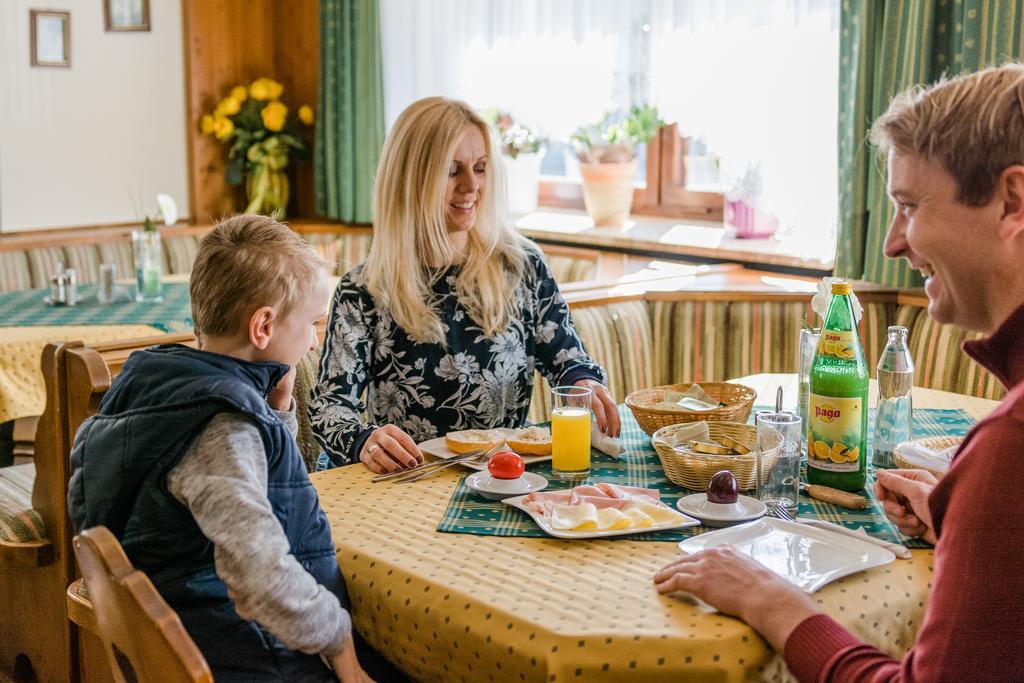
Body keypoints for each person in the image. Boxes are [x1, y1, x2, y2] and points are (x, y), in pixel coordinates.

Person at [653, 64, 1024, 681]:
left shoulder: (1008, 448)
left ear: (1012, 201)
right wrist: (973, 524)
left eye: (909, 206)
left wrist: (771, 599)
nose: (892, 244)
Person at [67, 216, 379, 682]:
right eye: (312, 322)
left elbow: (267, 486)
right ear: (263, 326)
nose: (314, 340)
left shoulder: (163, 386)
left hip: (197, 631)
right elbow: (263, 579)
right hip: (242, 654)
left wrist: (276, 406)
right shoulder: (222, 427)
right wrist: (343, 651)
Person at [310, 97, 619, 473]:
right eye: (452, 170)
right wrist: (363, 441)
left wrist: (581, 381)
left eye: (480, 168)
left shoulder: (521, 265)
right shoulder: (364, 291)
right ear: (411, 180)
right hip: (411, 485)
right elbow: (330, 408)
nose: (472, 185)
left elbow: (567, 359)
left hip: (508, 479)